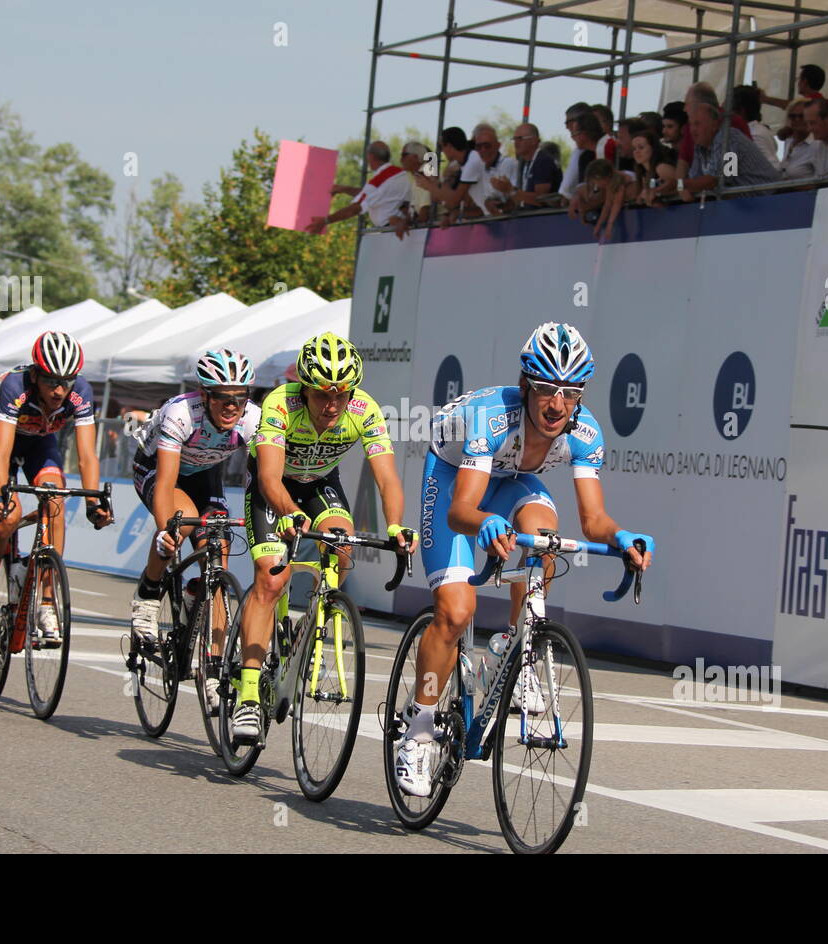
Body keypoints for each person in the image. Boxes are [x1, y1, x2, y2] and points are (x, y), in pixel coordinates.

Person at [394, 323, 652, 798]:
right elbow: (461, 510)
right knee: (456, 612)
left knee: (546, 544)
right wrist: (487, 522)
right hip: (456, 480)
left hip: (513, 479)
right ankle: (417, 728)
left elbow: (593, 519)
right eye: (547, 391)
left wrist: (622, 536)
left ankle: (515, 648)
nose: (558, 405)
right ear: (526, 385)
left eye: (571, 393)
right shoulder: (492, 417)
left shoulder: (585, 432)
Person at [236, 332, 409, 740]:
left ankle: (315, 616)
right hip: (273, 490)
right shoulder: (281, 403)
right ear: (306, 389)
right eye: (321, 396)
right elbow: (268, 478)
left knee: (343, 547)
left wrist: (396, 525)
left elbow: (387, 478)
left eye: (341, 395)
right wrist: (289, 514)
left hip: (319, 485)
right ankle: (246, 697)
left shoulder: (364, 410)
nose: (332, 406)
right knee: (271, 578)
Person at [0, 331, 112, 647]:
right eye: (51, 381)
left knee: (55, 500)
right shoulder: (15, 386)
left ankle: (46, 602)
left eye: (65, 382)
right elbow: (1, 452)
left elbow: (87, 455)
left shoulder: (79, 391)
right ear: (35, 375)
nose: (59, 390)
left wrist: (94, 500)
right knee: (7, 517)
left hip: (40, 443)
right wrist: (1, 495)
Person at [128, 350, 260, 689]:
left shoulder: (254, 419)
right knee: (181, 521)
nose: (232, 406)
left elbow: (268, 477)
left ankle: (213, 667)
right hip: (158, 470)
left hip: (205, 474)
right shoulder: (181, 413)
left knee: (218, 550)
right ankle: (147, 596)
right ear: (205, 395)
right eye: (222, 397)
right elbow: (168, 481)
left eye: (240, 397)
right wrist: (163, 532)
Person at [309, 141, 411, 238]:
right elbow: (374, 195)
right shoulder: (401, 174)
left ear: (370, 156)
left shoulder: (379, 181)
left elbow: (356, 208)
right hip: (406, 229)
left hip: (392, 233)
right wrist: (343, 189)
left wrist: (326, 221)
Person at [490, 122, 562, 210]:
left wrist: (510, 190)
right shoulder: (528, 163)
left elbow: (541, 200)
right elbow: (526, 199)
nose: (516, 143)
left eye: (520, 139)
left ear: (534, 141)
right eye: (514, 139)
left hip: (545, 220)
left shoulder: (542, 161)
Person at [759, 63, 827, 111]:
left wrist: (765, 99)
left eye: (799, 78)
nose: (797, 82)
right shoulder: (820, 101)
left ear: (804, 81)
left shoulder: (814, 103)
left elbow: (790, 105)